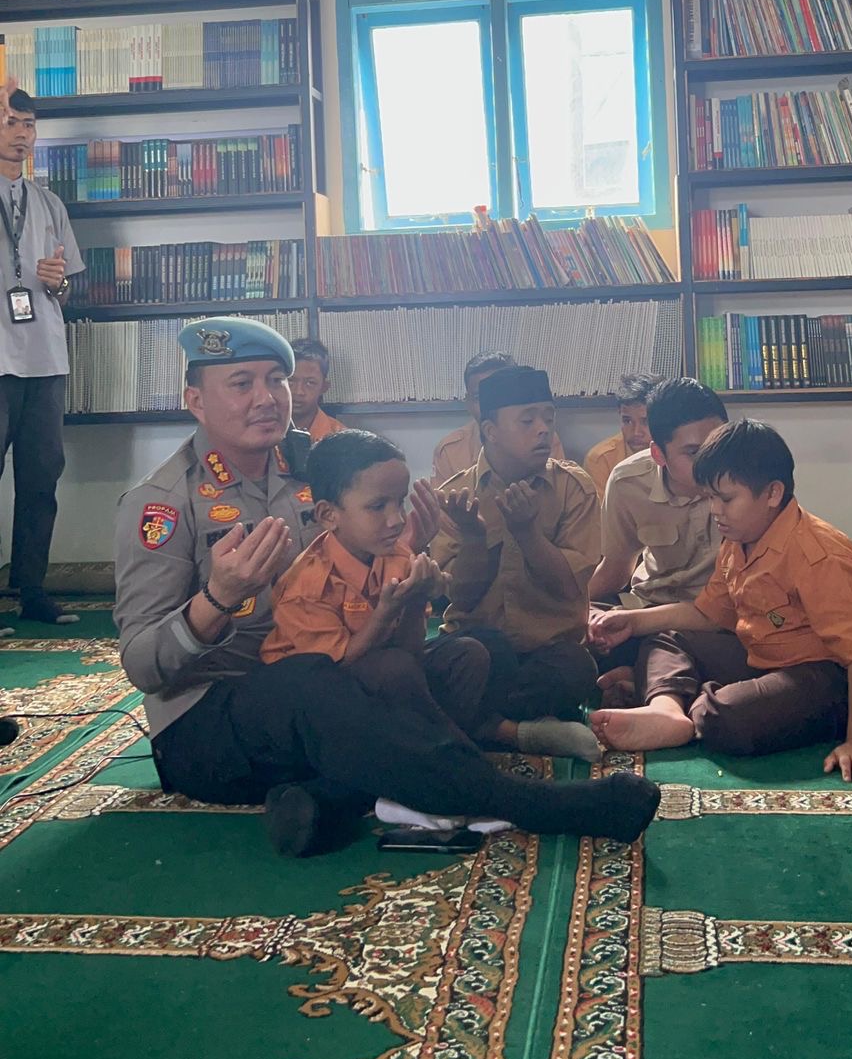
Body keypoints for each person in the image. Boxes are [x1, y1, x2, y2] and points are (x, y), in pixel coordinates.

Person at [115, 317, 660, 853]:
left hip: (337, 686)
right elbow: (142, 665)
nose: (268, 398)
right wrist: (218, 599)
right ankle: (530, 803)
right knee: (313, 681)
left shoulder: (313, 463)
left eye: (276, 380)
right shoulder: (164, 502)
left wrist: (406, 547)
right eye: (242, 384)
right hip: (215, 722)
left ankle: (330, 799)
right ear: (195, 400)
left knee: (475, 650)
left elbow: (367, 598)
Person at [590, 419, 852, 783]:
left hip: (831, 678)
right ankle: (666, 708)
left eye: (726, 499)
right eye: (710, 498)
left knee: (725, 718)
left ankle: (680, 698)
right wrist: (633, 621)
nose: (715, 510)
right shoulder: (738, 539)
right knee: (668, 636)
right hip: (764, 656)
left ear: (772, 493)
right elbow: (709, 614)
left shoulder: (819, 555)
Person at [261, 430, 490, 739]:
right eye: (378, 506)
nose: (397, 520)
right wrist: (385, 612)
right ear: (328, 515)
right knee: (391, 669)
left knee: (469, 654)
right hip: (313, 701)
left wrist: (415, 600)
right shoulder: (307, 586)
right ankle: (449, 750)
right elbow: (336, 669)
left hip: (388, 676)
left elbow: (411, 651)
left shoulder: (396, 555)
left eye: (400, 502)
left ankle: (433, 746)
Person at [433, 365, 602, 762]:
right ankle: (515, 731)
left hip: (545, 652)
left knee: (575, 668)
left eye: (548, 417)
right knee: (472, 655)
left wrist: (528, 534)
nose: (543, 429)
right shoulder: (456, 496)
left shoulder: (574, 489)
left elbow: (568, 587)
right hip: (479, 649)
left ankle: (475, 724)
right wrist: (474, 537)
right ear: (490, 430)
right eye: (527, 420)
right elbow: (459, 596)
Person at [586, 377, 728, 704]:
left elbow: (737, 604)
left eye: (719, 444)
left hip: (714, 619)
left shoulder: (746, 479)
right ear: (658, 453)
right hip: (648, 605)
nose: (713, 461)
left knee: (675, 646)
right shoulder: (627, 481)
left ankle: (643, 683)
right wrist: (573, 609)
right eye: (694, 452)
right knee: (583, 636)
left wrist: (635, 623)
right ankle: (644, 682)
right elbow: (616, 569)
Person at [0, 87, 84, 625]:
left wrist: (57, 284)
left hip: (45, 361)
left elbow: (65, 290)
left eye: (28, 124)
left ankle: (31, 590)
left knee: (40, 481)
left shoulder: (49, 203)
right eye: (10, 122)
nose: (21, 134)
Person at [432, 350, 564, 485]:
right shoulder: (450, 451)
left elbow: (558, 487)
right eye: (479, 397)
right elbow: (440, 497)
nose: (488, 406)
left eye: (501, 396)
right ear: (468, 402)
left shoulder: (543, 438)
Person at [583, 373, 659, 499]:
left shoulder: (676, 453)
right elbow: (602, 511)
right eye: (627, 421)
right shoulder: (602, 459)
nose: (636, 432)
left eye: (646, 422)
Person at [287, 339, 346, 444]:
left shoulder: (341, 439)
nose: (298, 391)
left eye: (310, 383)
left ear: (324, 387)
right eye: (290, 381)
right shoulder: (263, 431)